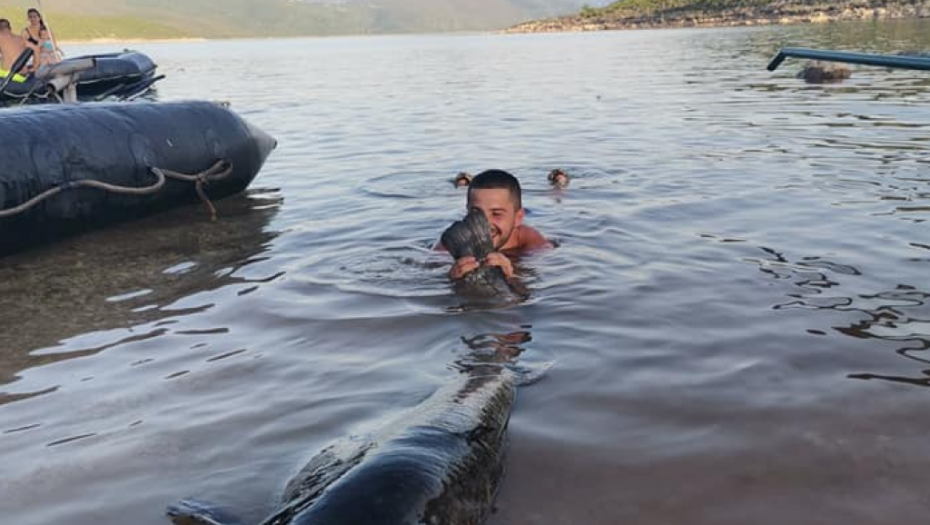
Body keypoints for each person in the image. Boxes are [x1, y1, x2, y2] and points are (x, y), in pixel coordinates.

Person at [437, 169, 551, 281]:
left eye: (496, 214)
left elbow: (544, 279)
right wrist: (453, 278)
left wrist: (511, 277)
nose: (485, 223)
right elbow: (432, 271)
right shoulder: (453, 242)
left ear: (518, 218)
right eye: (476, 212)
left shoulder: (529, 239)